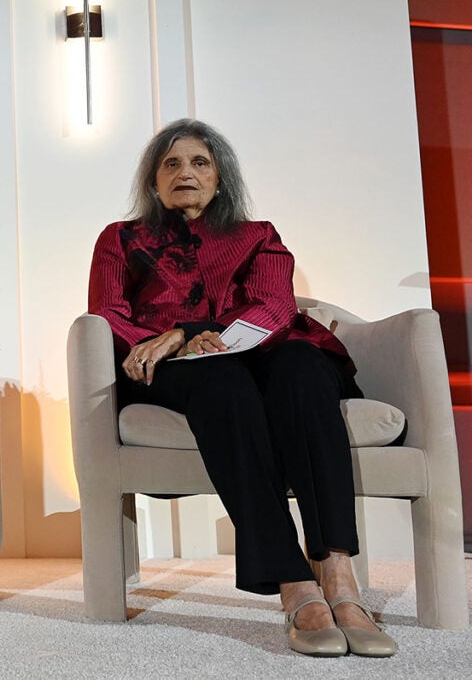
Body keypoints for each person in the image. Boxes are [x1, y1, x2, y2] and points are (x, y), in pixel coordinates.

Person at [88, 118, 397, 658]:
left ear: (221, 177)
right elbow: (108, 314)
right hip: (185, 373)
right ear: (153, 179)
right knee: (222, 383)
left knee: (301, 367)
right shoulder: (121, 239)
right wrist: (159, 342)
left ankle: (338, 574)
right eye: (171, 163)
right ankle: (294, 582)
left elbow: (275, 306)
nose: (186, 172)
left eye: (200, 162)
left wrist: (190, 330)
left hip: (270, 352)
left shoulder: (258, 236)